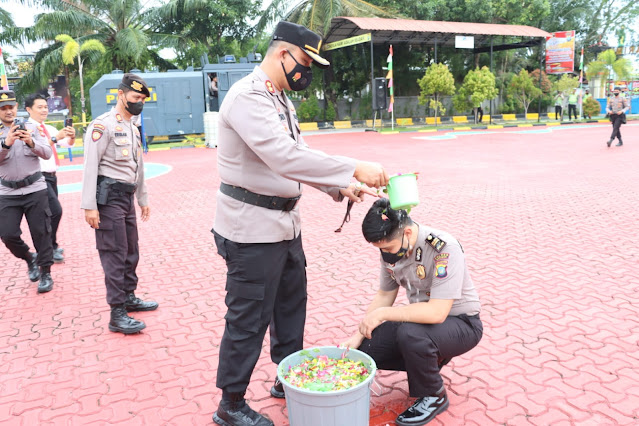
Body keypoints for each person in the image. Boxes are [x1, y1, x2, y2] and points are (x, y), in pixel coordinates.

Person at [211, 21, 389, 426]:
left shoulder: (279, 99)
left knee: (290, 305)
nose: (305, 71)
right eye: (305, 62)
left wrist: (344, 186)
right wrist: (355, 165)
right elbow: (283, 157)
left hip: (284, 224)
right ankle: (231, 403)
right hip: (251, 229)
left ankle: (285, 376)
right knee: (248, 316)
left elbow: (299, 154)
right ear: (282, 54)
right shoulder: (247, 98)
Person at [342, 198, 483, 426]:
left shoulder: (443, 248)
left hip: (461, 324)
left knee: (411, 334)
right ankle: (429, 359)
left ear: (407, 232)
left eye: (388, 248)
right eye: (381, 250)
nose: (385, 254)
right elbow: (385, 295)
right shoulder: (391, 248)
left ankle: (434, 396)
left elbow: (437, 313)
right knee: (367, 349)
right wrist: (357, 335)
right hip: (422, 323)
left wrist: (384, 315)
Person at [81, 73, 158, 335]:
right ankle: (117, 313)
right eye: (135, 97)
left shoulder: (131, 127)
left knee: (130, 251)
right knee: (114, 254)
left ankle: (129, 297)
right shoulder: (102, 126)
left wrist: (143, 199)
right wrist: (89, 205)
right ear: (120, 95)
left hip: (126, 199)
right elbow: (90, 167)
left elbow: (139, 168)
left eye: (142, 99)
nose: (139, 103)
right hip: (108, 199)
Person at [0, 90, 55, 293]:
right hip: (7, 193)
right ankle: (29, 257)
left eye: (11, 107)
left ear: (16, 108)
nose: (8, 111)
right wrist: (6, 144)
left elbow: (47, 153)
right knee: (7, 234)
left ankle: (46, 272)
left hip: (35, 189)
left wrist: (31, 142)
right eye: (3, 108)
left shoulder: (32, 127)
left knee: (41, 233)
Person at [26, 93, 76, 263]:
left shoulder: (48, 128)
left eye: (46, 107)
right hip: (38, 178)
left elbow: (67, 143)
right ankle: (47, 249)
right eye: (39, 107)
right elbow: (37, 146)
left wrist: (71, 135)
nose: (44, 110)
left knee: (49, 214)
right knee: (55, 211)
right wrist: (55, 138)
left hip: (52, 177)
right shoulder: (27, 129)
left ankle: (51, 246)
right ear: (28, 109)